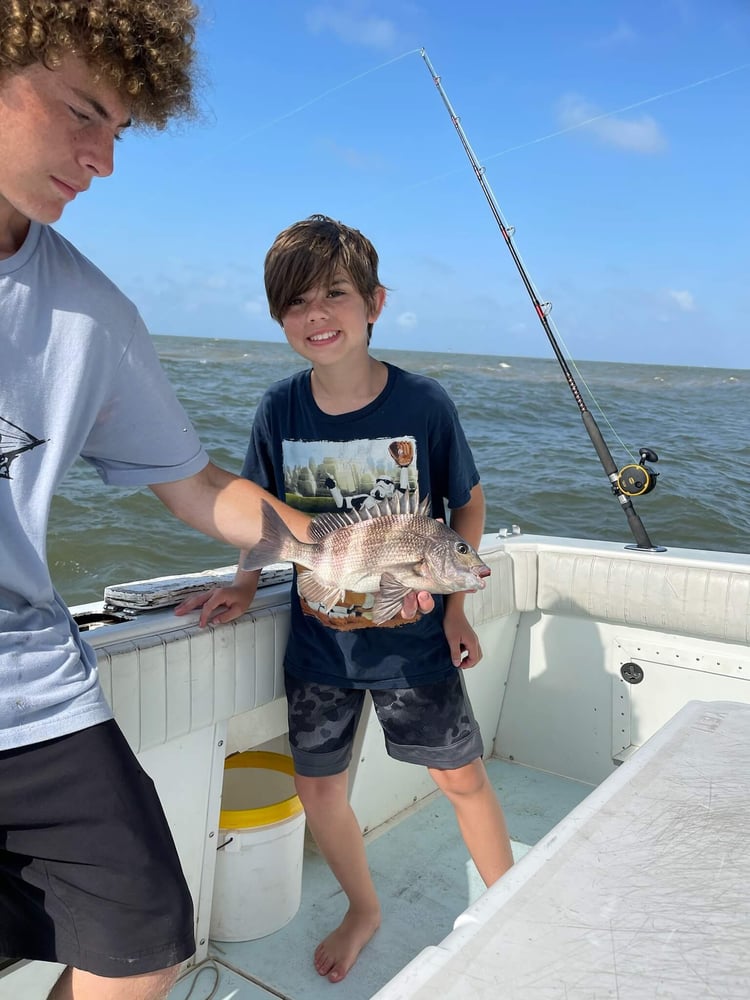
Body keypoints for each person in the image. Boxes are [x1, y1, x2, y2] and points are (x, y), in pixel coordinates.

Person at [0, 7, 433, 999]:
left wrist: (330, 547)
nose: (102, 158)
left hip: (29, 691)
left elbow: (197, 485)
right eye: (82, 113)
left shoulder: (93, 314)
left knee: (147, 941)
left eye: (120, 129)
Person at [176, 214, 514, 983]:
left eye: (334, 294)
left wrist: (454, 606)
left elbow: (467, 505)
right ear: (279, 319)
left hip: (413, 646)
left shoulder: (424, 405)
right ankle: (364, 908)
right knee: (318, 788)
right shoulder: (278, 410)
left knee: (461, 776)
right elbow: (256, 514)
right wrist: (240, 583)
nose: (316, 315)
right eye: (296, 303)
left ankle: (510, 900)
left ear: (375, 303)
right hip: (319, 645)